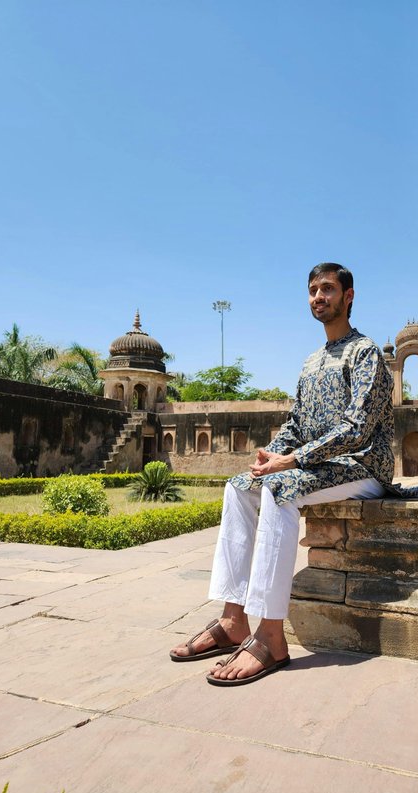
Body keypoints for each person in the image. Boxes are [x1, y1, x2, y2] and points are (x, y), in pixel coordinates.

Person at [169, 262, 396, 686]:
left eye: (327, 289)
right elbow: (296, 422)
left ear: (348, 297)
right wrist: (271, 453)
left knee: (279, 490)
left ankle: (271, 637)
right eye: (313, 290)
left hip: (364, 464)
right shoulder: (312, 362)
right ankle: (233, 619)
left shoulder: (365, 353)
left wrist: (289, 462)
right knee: (238, 487)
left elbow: (357, 427)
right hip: (320, 464)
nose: (318, 297)